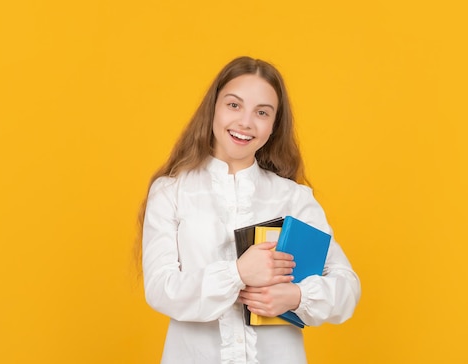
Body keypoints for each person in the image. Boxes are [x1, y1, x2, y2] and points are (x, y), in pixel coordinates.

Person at [137, 56, 361, 364]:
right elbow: (161, 289)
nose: (245, 122)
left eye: (262, 112)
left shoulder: (293, 198)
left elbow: (347, 286)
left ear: (273, 126)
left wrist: (296, 297)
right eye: (234, 105)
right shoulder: (171, 192)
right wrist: (238, 273)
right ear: (213, 108)